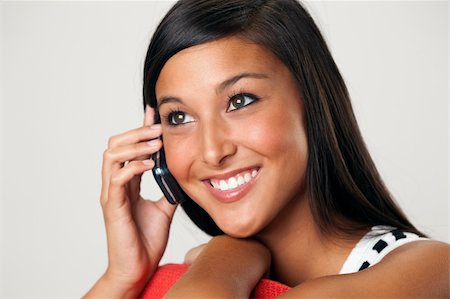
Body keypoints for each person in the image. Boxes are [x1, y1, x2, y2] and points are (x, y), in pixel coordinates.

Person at [85, 0, 449, 298]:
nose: (212, 151)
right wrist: (122, 277)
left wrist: (224, 258)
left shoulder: (429, 269)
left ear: (312, 101)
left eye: (240, 100)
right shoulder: (208, 272)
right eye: (179, 117)